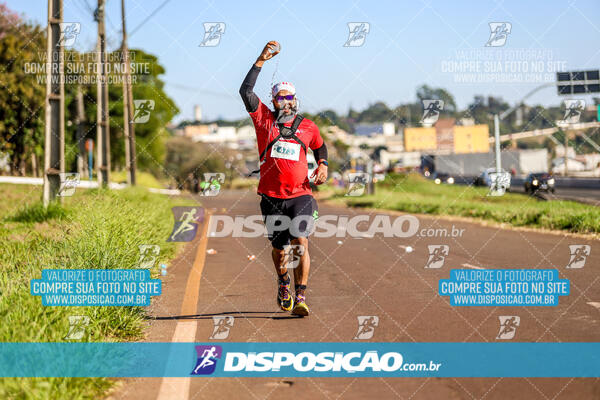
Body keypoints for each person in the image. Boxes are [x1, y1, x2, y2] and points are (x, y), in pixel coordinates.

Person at [239, 41, 328, 316]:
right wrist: (262, 59)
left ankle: (301, 296)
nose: (286, 102)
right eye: (281, 98)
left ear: (296, 100)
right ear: (275, 101)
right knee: (280, 249)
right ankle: (283, 283)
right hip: (271, 196)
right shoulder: (263, 119)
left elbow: (320, 146)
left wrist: (323, 165)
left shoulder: (308, 126)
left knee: (301, 241)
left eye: (290, 97)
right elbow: (245, 91)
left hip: (301, 194)